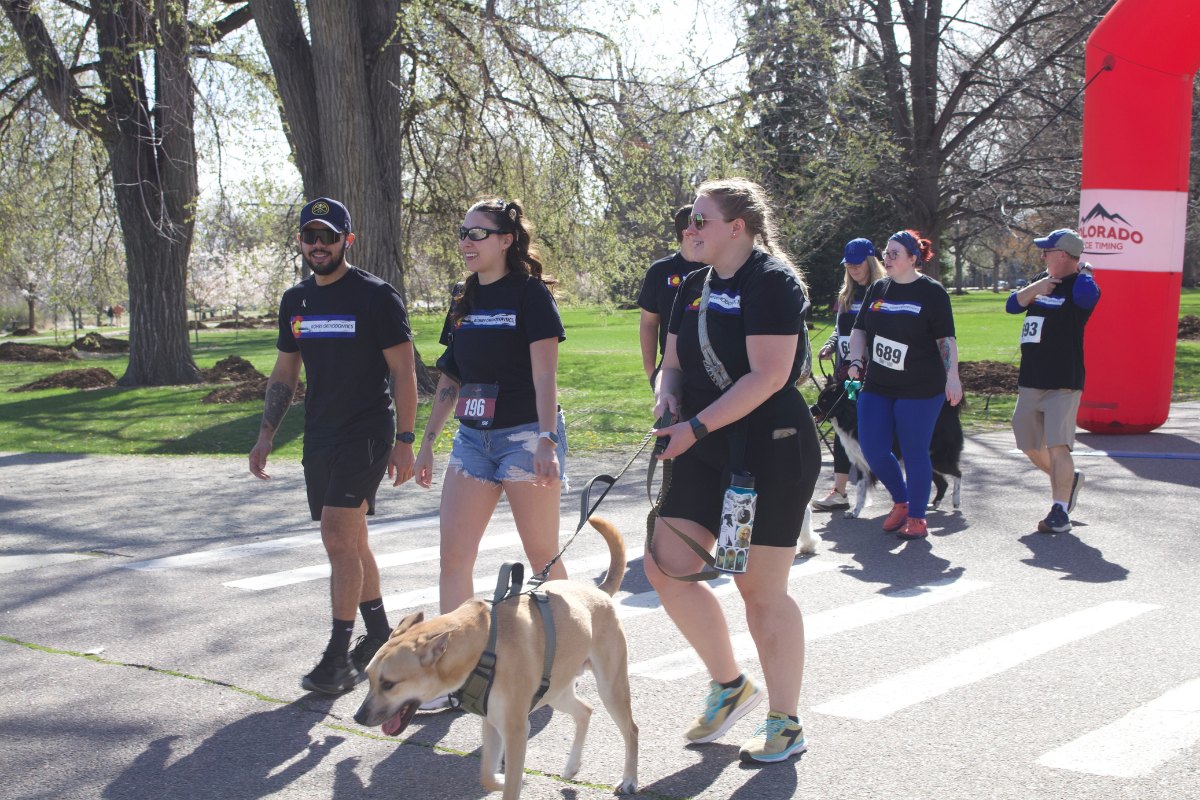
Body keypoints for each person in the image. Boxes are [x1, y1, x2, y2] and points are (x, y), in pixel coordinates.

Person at [649, 178, 820, 764]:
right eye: (688, 220)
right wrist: (667, 398)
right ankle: (729, 683)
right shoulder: (692, 284)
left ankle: (785, 720)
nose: (689, 230)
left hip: (768, 450)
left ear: (736, 228)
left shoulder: (771, 282)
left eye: (700, 220)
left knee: (759, 590)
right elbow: (671, 364)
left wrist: (694, 427)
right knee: (666, 563)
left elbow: (769, 375)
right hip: (703, 443)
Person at [249, 197, 418, 695]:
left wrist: (405, 439)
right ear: (301, 241)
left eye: (328, 236)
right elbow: (285, 371)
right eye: (310, 236)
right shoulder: (296, 300)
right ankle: (381, 631)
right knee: (353, 539)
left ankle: (338, 658)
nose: (318, 245)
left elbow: (404, 370)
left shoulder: (375, 297)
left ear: (348, 240)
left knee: (337, 538)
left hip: (366, 431)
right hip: (320, 434)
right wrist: (265, 434)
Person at [414, 198, 567, 707]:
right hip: (472, 439)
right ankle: (454, 672)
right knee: (453, 557)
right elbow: (451, 375)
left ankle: (565, 657)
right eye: (463, 233)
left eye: (478, 234)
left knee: (543, 555)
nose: (467, 242)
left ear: (507, 240)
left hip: (526, 435)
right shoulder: (463, 297)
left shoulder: (530, 296)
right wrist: (428, 442)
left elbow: (546, 374)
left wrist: (547, 438)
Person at [845, 229, 962, 539]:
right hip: (879, 384)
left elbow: (945, 340)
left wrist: (953, 378)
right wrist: (856, 360)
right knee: (872, 447)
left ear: (913, 259)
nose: (888, 257)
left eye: (895, 253)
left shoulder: (932, 293)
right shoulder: (877, 289)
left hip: (921, 387)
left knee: (914, 451)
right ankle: (901, 499)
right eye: (886, 252)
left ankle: (917, 518)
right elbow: (860, 331)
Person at [1006, 228, 1100, 533]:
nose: (1043, 255)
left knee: (1059, 446)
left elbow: (1088, 298)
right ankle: (1069, 481)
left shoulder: (1080, 286)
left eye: (1048, 251)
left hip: (1062, 380)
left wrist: (1084, 270)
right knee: (1029, 444)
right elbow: (1012, 305)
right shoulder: (1044, 282)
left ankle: (1060, 510)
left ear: (1063, 255)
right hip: (1031, 378)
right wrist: (1038, 287)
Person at [812, 237, 886, 511]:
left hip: (874, 375)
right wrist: (831, 345)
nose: (853, 270)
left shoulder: (882, 292)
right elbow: (840, 328)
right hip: (848, 377)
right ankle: (840, 491)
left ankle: (896, 485)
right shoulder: (846, 295)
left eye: (858, 265)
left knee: (872, 428)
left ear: (870, 262)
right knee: (842, 427)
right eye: (849, 265)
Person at [637, 205, 706, 386]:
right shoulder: (660, 271)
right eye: (703, 226)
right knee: (671, 415)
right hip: (671, 370)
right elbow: (649, 323)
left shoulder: (720, 268)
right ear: (687, 233)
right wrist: (652, 372)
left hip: (714, 370)